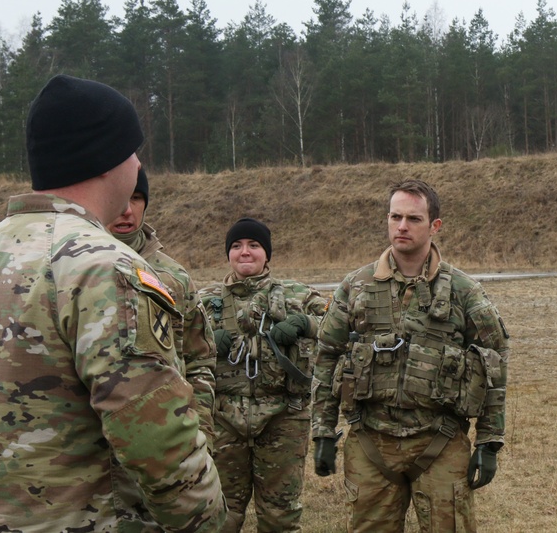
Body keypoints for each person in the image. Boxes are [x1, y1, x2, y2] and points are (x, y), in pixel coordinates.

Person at [0, 74, 226, 532]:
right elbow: (157, 441)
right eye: (133, 151)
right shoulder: (104, 267)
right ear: (107, 160)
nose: (136, 163)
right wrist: (206, 521)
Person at [312, 179, 510, 533]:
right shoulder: (355, 286)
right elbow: (327, 354)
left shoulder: (464, 292)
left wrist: (489, 441)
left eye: (413, 219)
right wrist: (323, 431)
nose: (402, 226)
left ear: (435, 226)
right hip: (370, 441)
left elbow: (494, 359)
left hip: (440, 440)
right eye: (395, 216)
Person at [199, 217, 327, 532]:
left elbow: (337, 327)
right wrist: (206, 343)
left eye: (254, 246)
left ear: (267, 254)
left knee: (280, 517)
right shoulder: (204, 301)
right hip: (223, 421)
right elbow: (173, 344)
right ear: (227, 254)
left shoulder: (297, 294)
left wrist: (304, 324)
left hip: (283, 418)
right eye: (237, 246)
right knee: (219, 516)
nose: (245, 252)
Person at [107, 167, 217, 446]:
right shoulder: (74, 266)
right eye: (117, 197)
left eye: (135, 198)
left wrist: (202, 432)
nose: (126, 210)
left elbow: (199, 360)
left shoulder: (174, 278)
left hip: (166, 436)